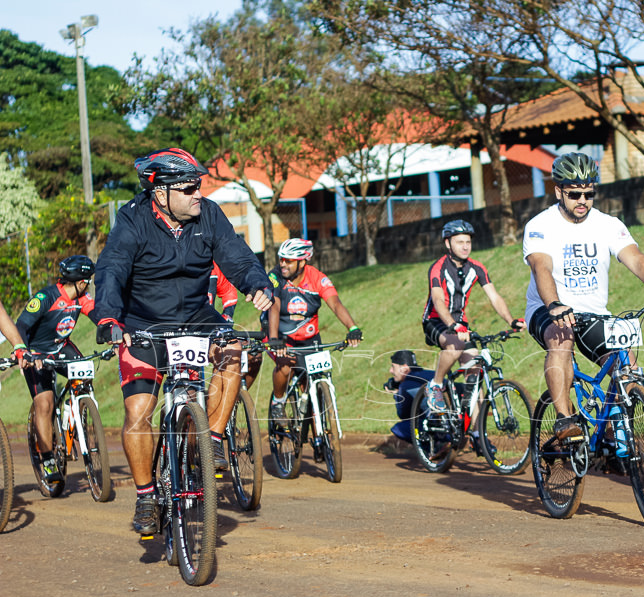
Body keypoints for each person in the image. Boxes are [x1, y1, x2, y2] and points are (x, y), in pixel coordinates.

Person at [93, 147, 274, 535]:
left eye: (199, 187)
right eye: (189, 188)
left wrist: (257, 284)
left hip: (194, 315)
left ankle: (209, 440)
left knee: (233, 350)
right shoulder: (133, 219)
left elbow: (236, 255)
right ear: (161, 193)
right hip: (142, 321)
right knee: (138, 411)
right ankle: (145, 495)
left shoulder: (207, 214)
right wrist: (108, 316)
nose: (198, 194)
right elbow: (112, 268)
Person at [524, 152, 644, 441]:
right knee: (560, 340)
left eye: (589, 194)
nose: (583, 201)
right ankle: (564, 419)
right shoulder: (541, 225)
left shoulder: (607, 224)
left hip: (592, 312)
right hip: (548, 309)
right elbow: (542, 267)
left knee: (629, 368)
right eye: (575, 194)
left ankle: (612, 435)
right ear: (559, 191)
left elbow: (636, 259)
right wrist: (554, 304)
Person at [421, 220, 523, 418]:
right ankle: (435, 385)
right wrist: (452, 325)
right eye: (460, 242)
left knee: (475, 373)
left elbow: (494, 297)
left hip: (461, 326)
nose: (465, 246)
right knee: (454, 346)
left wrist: (510, 321)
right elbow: (438, 300)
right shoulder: (438, 268)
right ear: (448, 244)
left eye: (468, 242)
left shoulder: (477, 268)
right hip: (435, 321)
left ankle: (477, 433)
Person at [14, 256, 100, 482]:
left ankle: (76, 412)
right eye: (87, 281)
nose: (88, 285)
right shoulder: (46, 297)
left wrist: (111, 329)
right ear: (80, 282)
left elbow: (97, 315)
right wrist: (27, 353)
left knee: (84, 375)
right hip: (37, 353)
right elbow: (21, 325)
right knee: (45, 402)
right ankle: (48, 458)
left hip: (62, 347)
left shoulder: (82, 298)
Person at [266, 238, 362, 426]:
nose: (282, 264)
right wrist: (274, 338)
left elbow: (335, 303)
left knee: (313, 378)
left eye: (288, 260)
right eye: (281, 259)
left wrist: (352, 327)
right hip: (278, 333)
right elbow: (274, 307)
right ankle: (278, 403)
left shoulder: (317, 278)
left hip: (308, 337)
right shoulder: (275, 276)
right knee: (285, 365)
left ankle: (317, 432)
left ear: (302, 261)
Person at [383, 349, 433, 445]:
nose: (391, 371)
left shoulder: (406, 384)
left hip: (438, 426)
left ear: (405, 368)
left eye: (393, 367)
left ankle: (433, 449)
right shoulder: (430, 373)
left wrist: (397, 394)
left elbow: (403, 414)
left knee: (399, 429)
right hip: (456, 419)